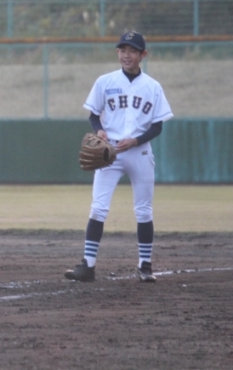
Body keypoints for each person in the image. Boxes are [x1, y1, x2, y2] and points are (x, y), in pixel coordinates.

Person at [64, 31, 173, 283]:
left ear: (143, 55)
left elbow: (157, 126)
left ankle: (145, 266)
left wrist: (136, 140)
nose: (126, 55)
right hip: (108, 153)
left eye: (132, 50)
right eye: (123, 50)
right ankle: (87, 265)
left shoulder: (153, 87)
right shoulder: (105, 81)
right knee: (98, 208)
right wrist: (99, 130)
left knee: (143, 211)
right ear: (117, 52)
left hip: (140, 152)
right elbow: (94, 114)